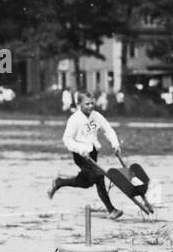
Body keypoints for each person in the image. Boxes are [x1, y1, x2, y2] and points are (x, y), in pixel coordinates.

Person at [47, 91, 123, 219]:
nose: (90, 106)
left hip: (92, 153)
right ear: (78, 104)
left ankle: (59, 182)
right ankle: (111, 210)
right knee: (99, 177)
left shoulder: (96, 116)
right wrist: (80, 149)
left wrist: (115, 145)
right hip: (80, 155)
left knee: (85, 182)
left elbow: (108, 129)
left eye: (92, 103)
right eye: (87, 104)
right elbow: (67, 140)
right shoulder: (74, 119)